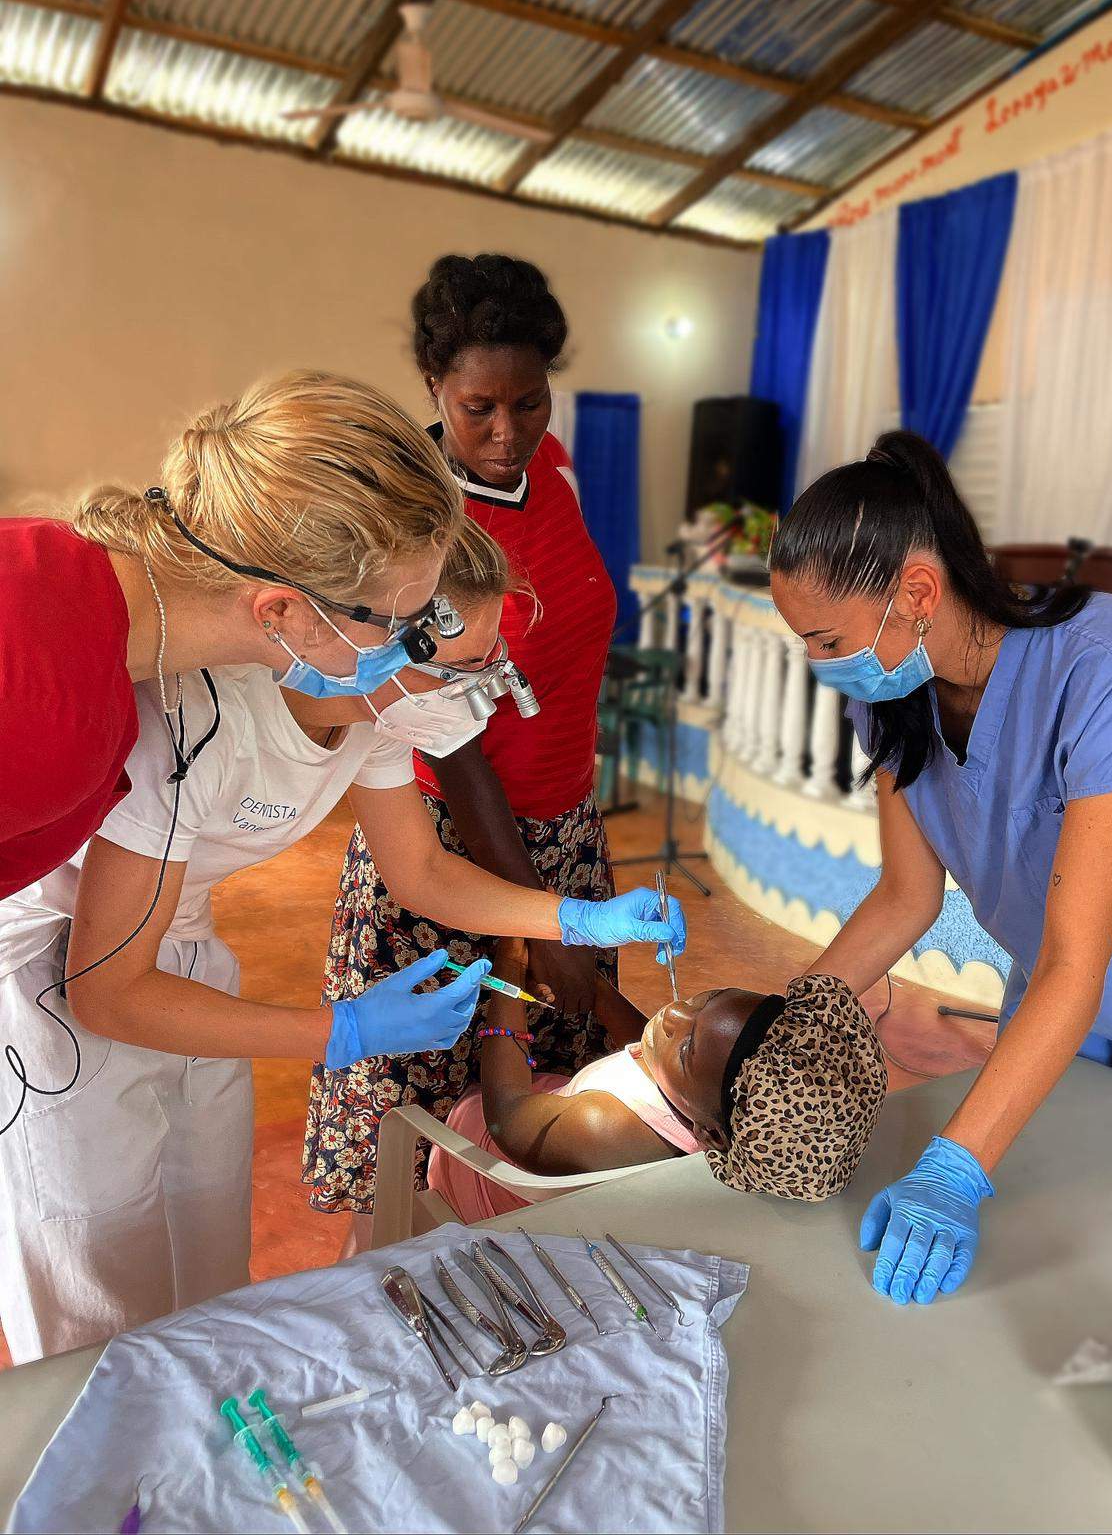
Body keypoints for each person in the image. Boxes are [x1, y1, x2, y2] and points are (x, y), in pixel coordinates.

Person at [0, 522, 684, 1363]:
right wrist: (342, 1031)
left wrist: (571, 920)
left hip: (181, 953)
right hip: (57, 976)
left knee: (208, 1245)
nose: (479, 697)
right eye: (465, 669)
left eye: (491, 669)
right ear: (386, 634)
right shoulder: (202, 717)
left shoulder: (369, 714)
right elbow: (107, 992)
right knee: (101, 1287)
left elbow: (421, 870)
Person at [768, 429, 1112, 1309]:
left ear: (917, 591)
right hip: (1057, 1009)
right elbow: (904, 897)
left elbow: (1080, 962)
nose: (820, 668)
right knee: (1058, 1254)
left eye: (826, 640)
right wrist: (790, 1021)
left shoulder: (1111, 671)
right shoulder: (892, 697)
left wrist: (954, 1168)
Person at [305, 255, 622, 1239]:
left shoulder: (553, 471)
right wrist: (536, 922)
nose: (507, 431)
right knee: (427, 1147)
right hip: (449, 845)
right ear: (434, 389)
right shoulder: (419, 522)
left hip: (565, 831)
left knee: (553, 1137)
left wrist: (566, 884)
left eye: (530, 401)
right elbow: (454, 744)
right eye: (480, 405)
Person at [0, 370, 472, 901]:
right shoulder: (55, 721)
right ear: (284, 613)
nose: (410, 647)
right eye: (398, 627)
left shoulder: (45, 555)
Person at [424, 939, 888, 1224]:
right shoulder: (714, 1113)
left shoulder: (602, 1126)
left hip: (487, 1173)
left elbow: (506, 1114)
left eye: (686, 1047)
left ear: (709, 1134)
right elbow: (656, 1055)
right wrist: (596, 987)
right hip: (556, 1129)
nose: (674, 1014)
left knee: (458, 1102)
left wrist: (508, 971)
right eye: (706, 999)